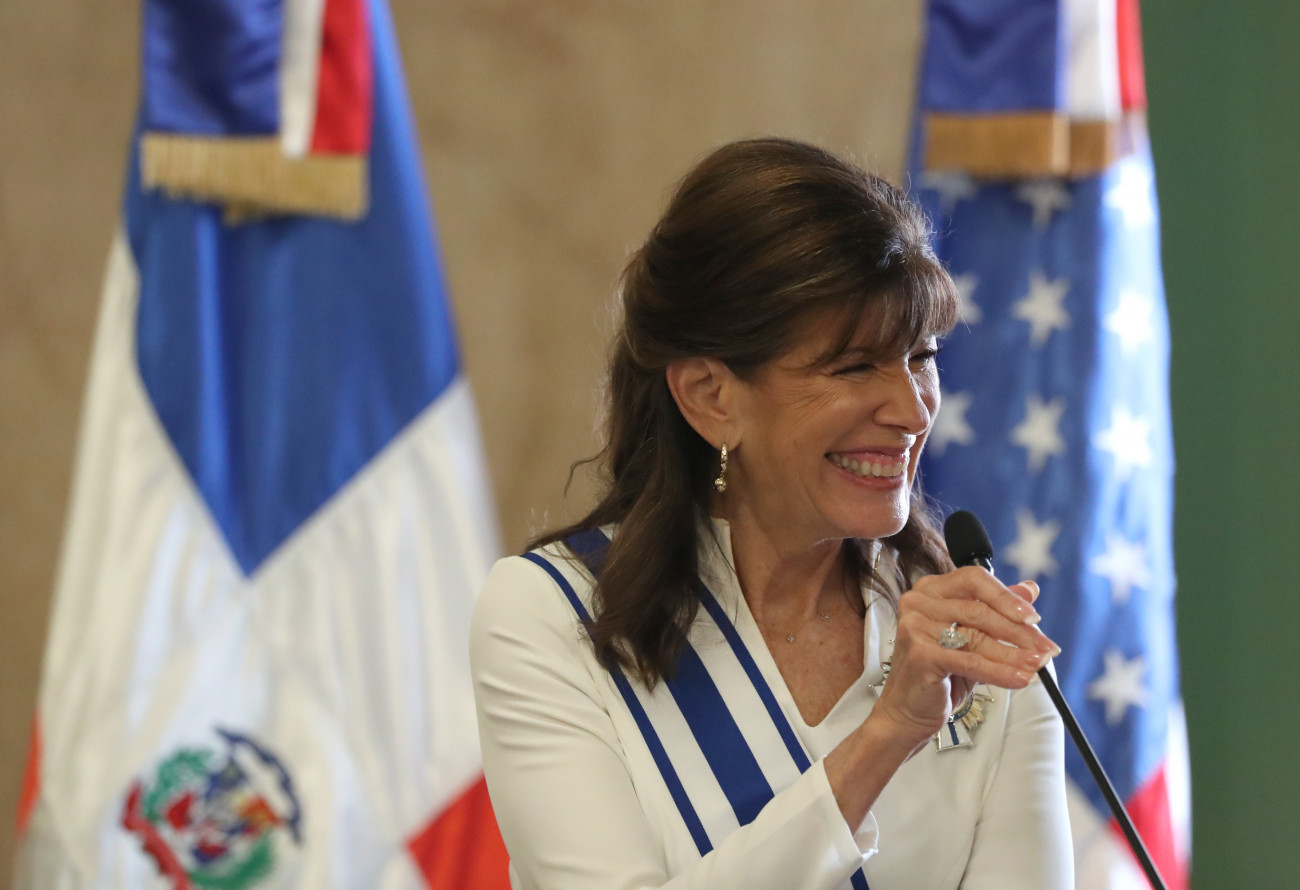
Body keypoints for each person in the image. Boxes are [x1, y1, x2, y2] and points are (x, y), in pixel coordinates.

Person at [469, 137, 1073, 890]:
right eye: (855, 366)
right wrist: (886, 736)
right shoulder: (554, 616)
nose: (914, 410)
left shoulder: (979, 643)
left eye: (922, 356)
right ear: (710, 397)